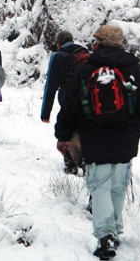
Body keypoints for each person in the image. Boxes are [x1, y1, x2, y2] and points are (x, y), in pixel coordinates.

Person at [55, 25, 140, 260]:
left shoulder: (86, 69)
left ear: (98, 43)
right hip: (127, 137)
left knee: (100, 185)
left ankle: (106, 237)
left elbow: (70, 105)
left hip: (94, 136)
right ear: (120, 43)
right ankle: (114, 229)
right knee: (117, 184)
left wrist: (63, 135)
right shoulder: (133, 69)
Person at [41, 31, 89, 174]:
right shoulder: (85, 54)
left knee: (66, 132)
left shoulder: (58, 57)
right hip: (86, 99)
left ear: (59, 44)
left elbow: (50, 86)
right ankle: (84, 160)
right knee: (81, 131)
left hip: (68, 99)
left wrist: (45, 113)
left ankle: (72, 164)